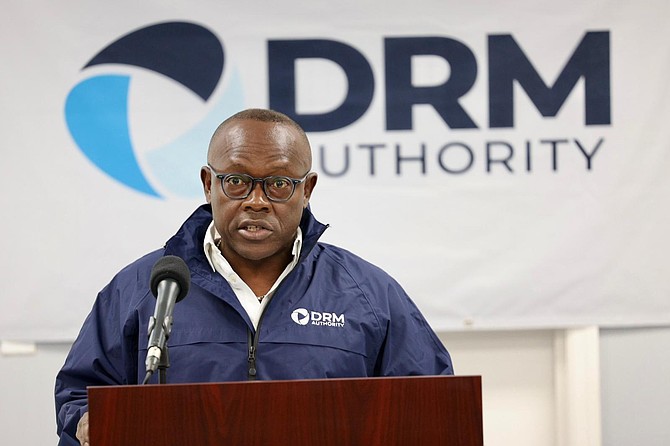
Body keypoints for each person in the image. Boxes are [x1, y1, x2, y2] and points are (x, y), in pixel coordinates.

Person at [55, 108, 453, 445]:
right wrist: (89, 423)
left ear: (307, 189)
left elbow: (431, 406)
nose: (257, 201)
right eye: (237, 181)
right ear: (209, 185)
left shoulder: (367, 294)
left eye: (279, 183)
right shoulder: (147, 288)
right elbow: (79, 395)